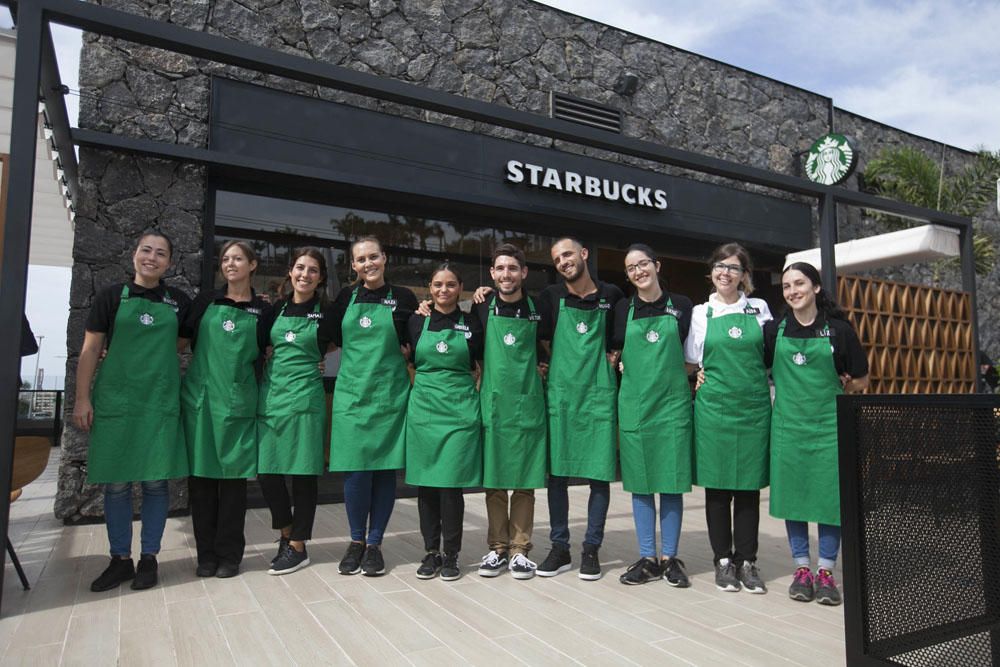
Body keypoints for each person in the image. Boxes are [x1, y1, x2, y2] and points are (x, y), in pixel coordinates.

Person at [75, 230, 191, 592]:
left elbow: (181, 343)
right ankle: (120, 559)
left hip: (158, 400)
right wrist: (82, 398)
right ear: (134, 256)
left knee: (156, 483)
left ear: (169, 262)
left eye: (160, 253)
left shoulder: (179, 302)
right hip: (117, 399)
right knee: (117, 484)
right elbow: (91, 349)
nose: (152, 258)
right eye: (146, 250)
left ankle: (149, 559)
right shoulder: (111, 297)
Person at [765, 262, 868, 606]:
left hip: (827, 428)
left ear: (816, 288)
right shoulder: (774, 330)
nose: (792, 291)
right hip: (788, 428)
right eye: (786, 286)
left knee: (828, 501)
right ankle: (801, 569)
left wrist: (845, 384)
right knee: (794, 499)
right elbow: (754, 368)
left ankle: (825, 571)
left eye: (800, 284)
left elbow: (861, 379)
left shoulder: (839, 330)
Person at [685, 242, 772, 594]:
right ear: (712, 272)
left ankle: (747, 560)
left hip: (752, 406)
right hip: (714, 409)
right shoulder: (699, 312)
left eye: (733, 268)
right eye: (720, 266)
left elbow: (774, 354)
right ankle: (723, 560)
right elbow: (691, 362)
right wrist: (697, 376)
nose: (726, 272)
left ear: (744, 275)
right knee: (718, 487)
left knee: (748, 487)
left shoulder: (760, 309)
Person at [536, 237, 624, 580]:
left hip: (598, 394)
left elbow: (619, 340)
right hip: (562, 395)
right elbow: (536, 334)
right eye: (557, 259)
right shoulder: (550, 297)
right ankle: (560, 548)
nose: (563, 262)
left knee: (599, 475)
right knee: (557, 475)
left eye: (568, 254)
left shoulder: (613, 294)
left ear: (584, 254)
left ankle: (591, 549)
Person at [330, 236, 418, 577]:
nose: (368, 263)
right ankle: (355, 541)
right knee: (356, 470)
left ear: (384, 258)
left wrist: (411, 350)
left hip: (389, 395)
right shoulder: (345, 298)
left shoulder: (405, 298)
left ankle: (375, 543)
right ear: (353, 265)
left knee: (383, 471)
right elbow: (327, 337)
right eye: (361, 259)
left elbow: (416, 340)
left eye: (373, 257)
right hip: (353, 395)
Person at [180, 240, 266, 579]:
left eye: (238, 259)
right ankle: (206, 556)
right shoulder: (204, 302)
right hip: (201, 402)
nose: (230, 264)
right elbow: (177, 342)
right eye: (225, 259)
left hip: (238, 403)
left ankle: (230, 555)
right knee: (201, 483)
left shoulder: (263, 310)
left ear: (253, 264)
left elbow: (275, 351)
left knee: (233, 486)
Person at [612, 244, 695, 587]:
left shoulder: (684, 306)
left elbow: (693, 355)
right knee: (641, 484)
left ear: (657, 265)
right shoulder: (622, 309)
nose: (638, 271)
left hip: (672, 404)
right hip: (635, 405)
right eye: (631, 267)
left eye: (643, 263)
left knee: (671, 481)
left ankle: (670, 557)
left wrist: (698, 375)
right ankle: (647, 557)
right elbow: (614, 354)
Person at [256, 247, 337, 575]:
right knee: (268, 472)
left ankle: (299, 546)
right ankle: (286, 533)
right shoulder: (273, 309)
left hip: (306, 400)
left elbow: (335, 342)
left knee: (303, 475)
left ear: (320, 278)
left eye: (313, 270)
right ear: (290, 272)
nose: (305, 274)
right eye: (300, 268)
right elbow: (261, 344)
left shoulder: (328, 312)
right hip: (273, 399)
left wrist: (319, 358)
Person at [474, 244, 551, 580]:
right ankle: (497, 548)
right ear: (492, 273)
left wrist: (545, 365)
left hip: (527, 403)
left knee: (523, 482)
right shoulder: (480, 307)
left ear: (523, 273)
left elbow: (550, 345)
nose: (506, 274)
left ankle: (520, 550)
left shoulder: (540, 308)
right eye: (500, 269)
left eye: (513, 268)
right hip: (493, 403)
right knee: (494, 480)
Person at [406, 264, 483, 581]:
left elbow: (483, 362)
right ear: (430, 288)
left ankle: (451, 555)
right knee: (427, 486)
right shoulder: (416, 320)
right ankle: (430, 553)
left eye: (451, 284)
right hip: (424, 411)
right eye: (438, 284)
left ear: (460, 287)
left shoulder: (473, 323)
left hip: (459, 412)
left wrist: (484, 294)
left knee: (451, 487)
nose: (444, 290)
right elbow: (408, 360)